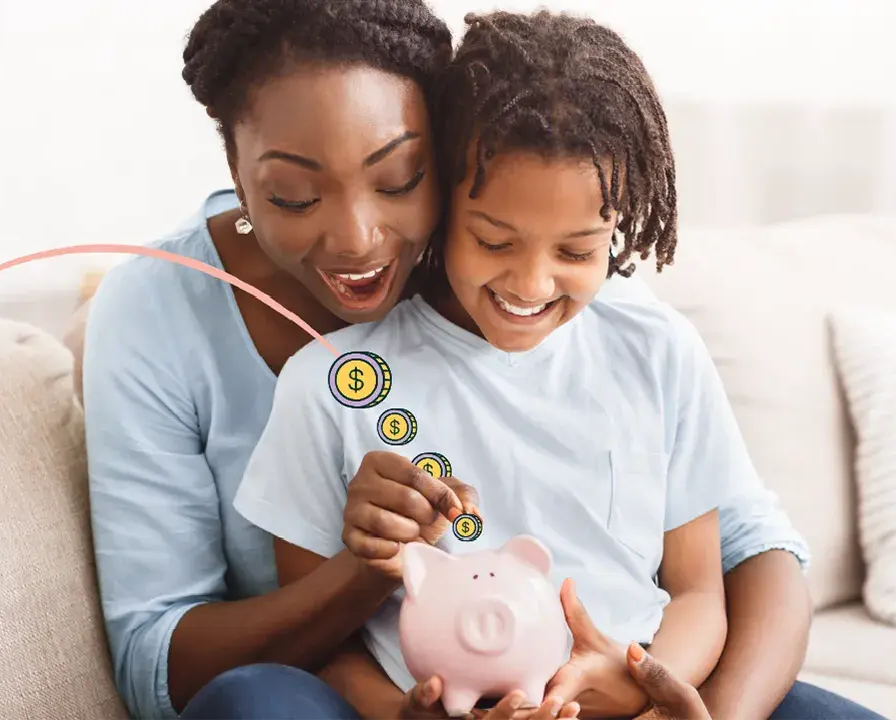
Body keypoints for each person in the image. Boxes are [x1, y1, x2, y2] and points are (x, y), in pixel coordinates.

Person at [79, 1, 887, 719]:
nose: (358, 239)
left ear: (446, 150)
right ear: (235, 172)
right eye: (294, 195)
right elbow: (165, 655)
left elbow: (731, 556)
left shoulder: (621, 327)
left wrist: (665, 694)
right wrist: (372, 582)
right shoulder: (200, 332)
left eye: (400, 178)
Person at [232, 9, 748, 718]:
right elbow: (322, 641)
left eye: (576, 252)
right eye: (494, 241)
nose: (531, 285)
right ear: (441, 197)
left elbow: (699, 594)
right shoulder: (330, 386)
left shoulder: (657, 349)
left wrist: (645, 684)